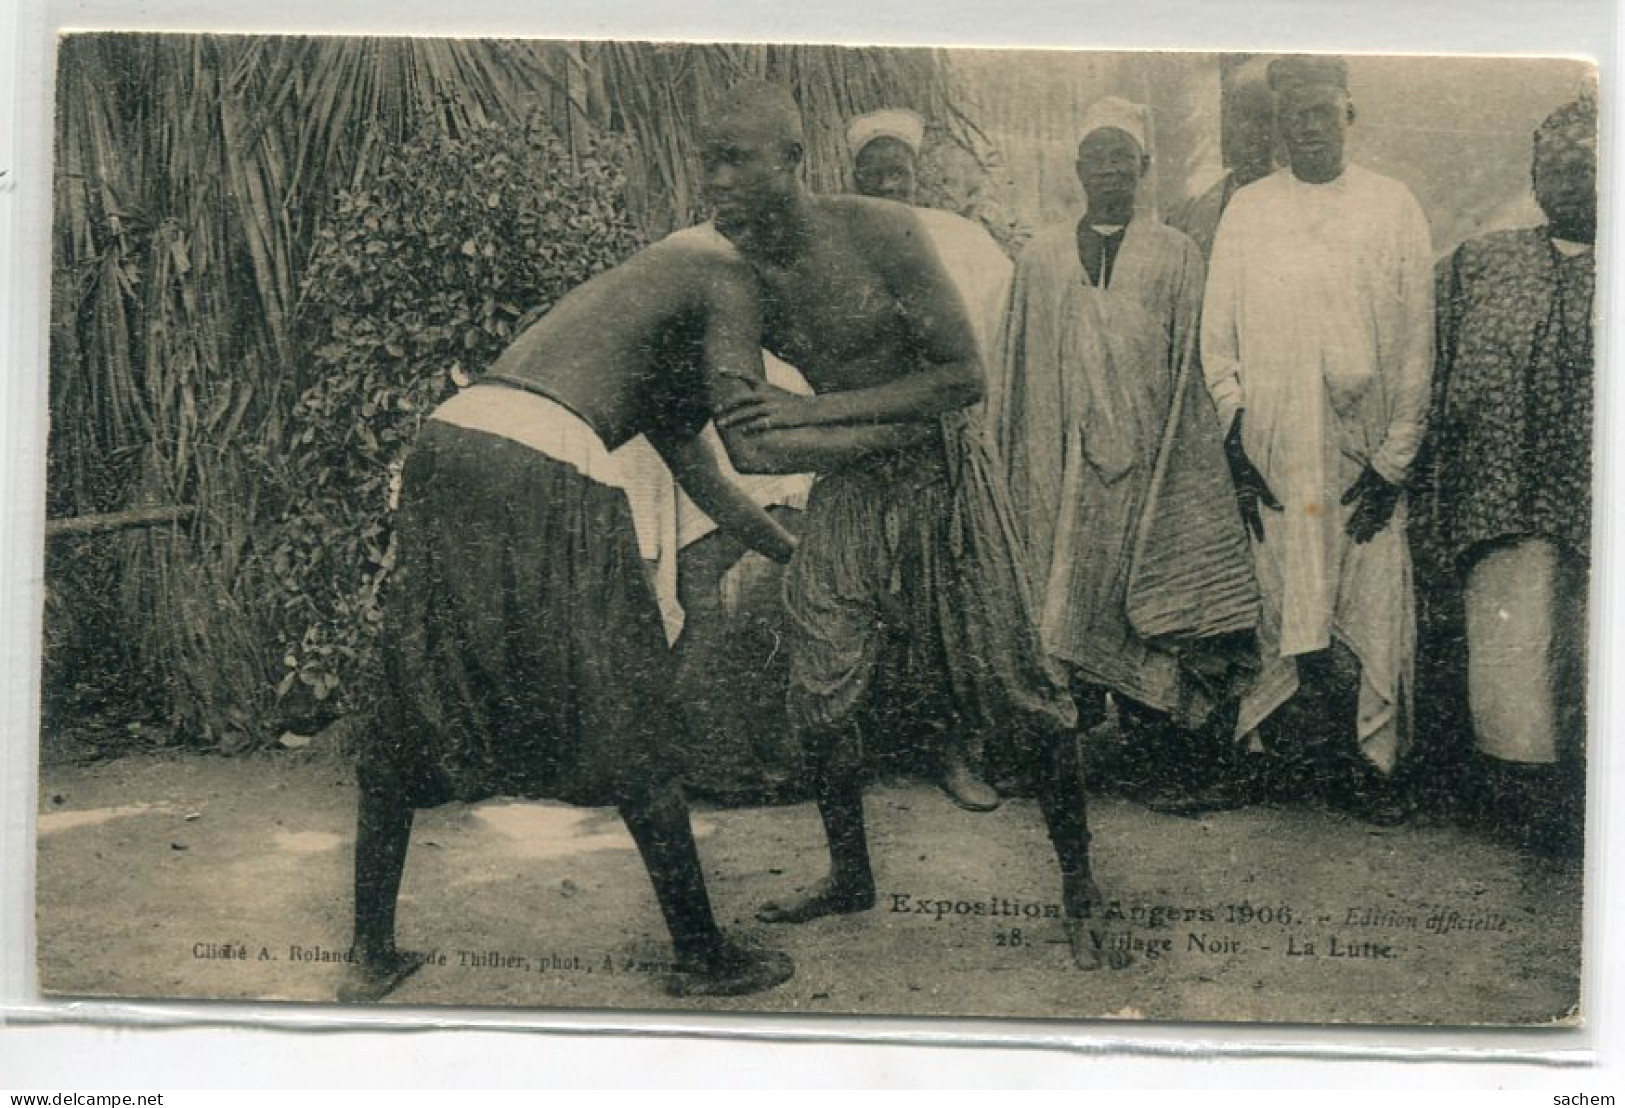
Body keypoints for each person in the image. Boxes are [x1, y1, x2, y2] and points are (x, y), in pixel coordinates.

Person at [337, 211, 931, 1003]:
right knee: (627, 698)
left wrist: (808, 562)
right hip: (540, 458)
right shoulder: (728, 274)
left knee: (422, 684)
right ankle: (699, 952)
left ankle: (369, 954)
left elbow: (715, 488)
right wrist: (898, 433)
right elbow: (754, 451)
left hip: (451, 444)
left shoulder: (641, 307)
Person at [699, 80, 1109, 968]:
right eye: (708, 161)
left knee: (1015, 682)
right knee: (819, 680)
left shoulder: (878, 230)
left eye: (735, 159)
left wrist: (809, 412)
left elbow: (961, 381)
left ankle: (1080, 886)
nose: (716, 180)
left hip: (945, 470)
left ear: (792, 162)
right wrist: (825, 427)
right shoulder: (736, 277)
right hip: (855, 474)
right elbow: (750, 443)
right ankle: (850, 875)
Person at [994, 97, 1258, 809]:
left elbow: (1189, 368)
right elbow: (1015, 373)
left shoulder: (1175, 254)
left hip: (1146, 462)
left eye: (1122, 158)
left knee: (1141, 602)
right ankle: (1057, 758)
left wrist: (1180, 459)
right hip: (1056, 464)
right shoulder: (1040, 257)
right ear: (1077, 168)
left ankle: (1156, 758)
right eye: (1095, 157)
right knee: (1056, 600)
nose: (1108, 170)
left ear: (1143, 168)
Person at [1200, 55, 1434, 824]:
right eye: (1291, 113)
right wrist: (1236, 445)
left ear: (1347, 113)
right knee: (1276, 601)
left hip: (1360, 453)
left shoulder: (1392, 205)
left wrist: (1394, 462)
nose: (1306, 125)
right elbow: (1217, 344)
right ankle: (1266, 761)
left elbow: (1414, 345)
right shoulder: (1248, 210)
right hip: (1273, 452)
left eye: (1320, 109)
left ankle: (1374, 766)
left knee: (1370, 601)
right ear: (1277, 123)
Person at [1415, 95, 1595, 857]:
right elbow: (1435, 368)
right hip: (1499, 496)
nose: (1566, 185)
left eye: (1584, 169)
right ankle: (1522, 804)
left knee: (1587, 651)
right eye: (1550, 170)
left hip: (1591, 501)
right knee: (1509, 654)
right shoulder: (1482, 262)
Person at [845, 106, 1016, 811]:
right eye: (873, 171)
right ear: (851, 176)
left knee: (945, 593)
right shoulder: (830, 240)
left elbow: (1000, 337)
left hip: (941, 441)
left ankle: (953, 750)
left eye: (898, 170)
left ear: (917, 174)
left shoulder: (960, 239)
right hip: (856, 448)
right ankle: (871, 745)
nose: (887, 182)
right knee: (865, 592)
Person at [1171, 59, 1278, 262]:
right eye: (1242, 116)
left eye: (1264, 117)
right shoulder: (1191, 213)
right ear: (1226, 123)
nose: (1251, 130)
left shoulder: (1296, 201)